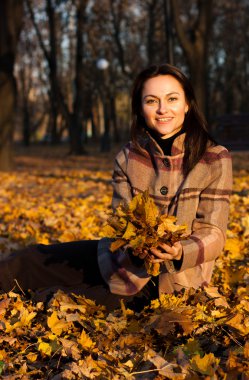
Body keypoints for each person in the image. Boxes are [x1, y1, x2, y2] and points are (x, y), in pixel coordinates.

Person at [0, 64, 232, 311]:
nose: (163, 109)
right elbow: (122, 220)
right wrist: (135, 245)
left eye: (172, 99)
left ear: (187, 104)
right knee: (31, 260)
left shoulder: (213, 158)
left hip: (172, 282)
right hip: (124, 261)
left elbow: (214, 232)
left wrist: (179, 251)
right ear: (140, 109)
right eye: (151, 101)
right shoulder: (128, 156)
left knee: (60, 299)